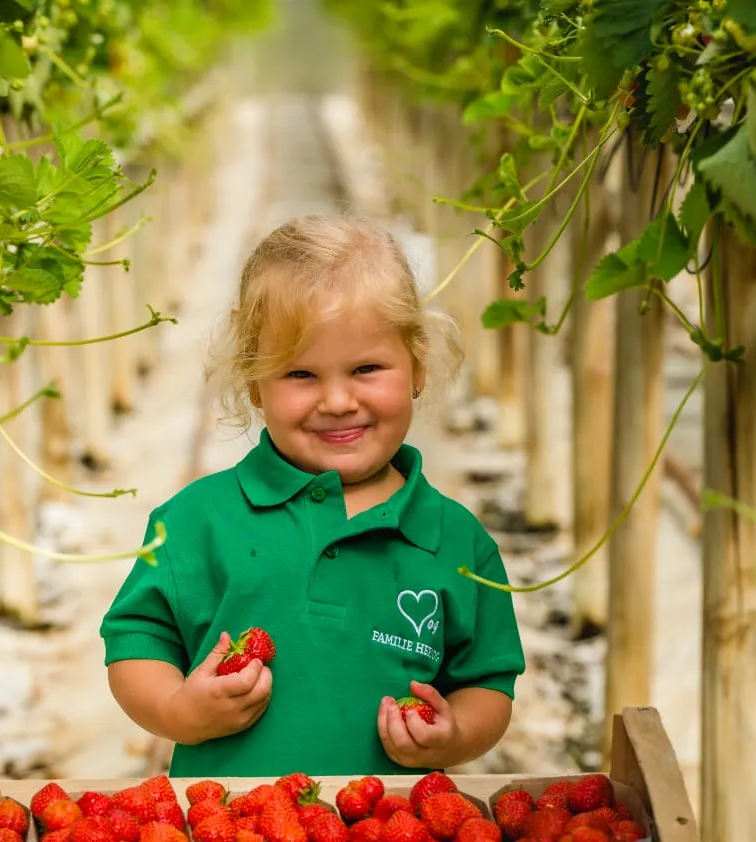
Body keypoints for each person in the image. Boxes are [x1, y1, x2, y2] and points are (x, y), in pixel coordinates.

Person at [100, 215, 525, 779]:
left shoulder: (457, 542)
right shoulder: (197, 520)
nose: (337, 400)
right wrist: (180, 712)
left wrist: (454, 736)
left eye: (366, 369)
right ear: (254, 382)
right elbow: (135, 642)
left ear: (417, 364)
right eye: (300, 374)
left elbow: (486, 683)